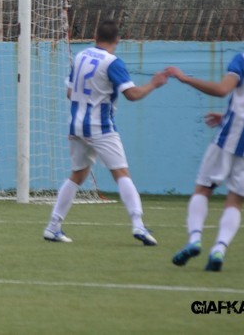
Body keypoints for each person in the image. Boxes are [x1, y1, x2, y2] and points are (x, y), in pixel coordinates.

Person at [165, 13, 244, 272]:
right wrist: (228, 114)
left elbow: (223, 89)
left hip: (230, 136)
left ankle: (195, 239)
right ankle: (219, 249)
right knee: (235, 201)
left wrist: (186, 78)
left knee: (203, 188)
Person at [43, 19, 167, 245]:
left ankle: (53, 226)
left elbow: (70, 93)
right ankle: (138, 224)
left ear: (95, 36)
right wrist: (154, 84)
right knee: (121, 174)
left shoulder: (80, 56)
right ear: (117, 39)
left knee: (77, 175)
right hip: (100, 126)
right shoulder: (112, 62)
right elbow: (132, 95)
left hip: (76, 125)